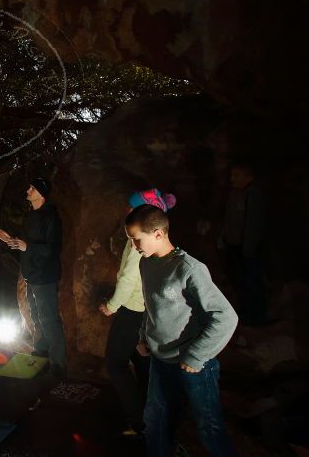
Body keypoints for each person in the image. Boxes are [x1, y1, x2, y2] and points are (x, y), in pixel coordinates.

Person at [126, 205, 238, 456]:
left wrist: (196, 356)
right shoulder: (146, 265)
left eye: (136, 239)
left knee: (208, 425)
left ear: (157, 233)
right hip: (161, 360)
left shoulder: (190, 269)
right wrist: (144, 336)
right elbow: (151, 305)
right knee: (154, 418)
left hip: (195, 365)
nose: (134, 246)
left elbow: (226, 316)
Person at [99, 188, 176, 437]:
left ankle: (140, 421)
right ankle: (150, 413)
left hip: (133, 309)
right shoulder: (145, 240)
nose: (127, 211)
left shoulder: (138, 243)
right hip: (144, 310)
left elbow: (128, 278)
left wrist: (112, 306)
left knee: (115, 362)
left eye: (132, 208)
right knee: (141, 361)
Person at [0, 177, 67, 376]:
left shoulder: (51, 218)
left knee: (49, 319)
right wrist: (7, 238)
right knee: (35, 316)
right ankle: (41, 352)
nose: (28, 190)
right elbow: (23, 245)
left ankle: (59, 364)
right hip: (30, 275)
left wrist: (28, 247)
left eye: (33, 188)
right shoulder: (31, 216)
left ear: (41, 194)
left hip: (45, 276)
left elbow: (53, 249)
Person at [221, 163, 266, 326]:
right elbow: (229, 217)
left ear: (249, 177)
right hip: (234, 245)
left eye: (237, 175)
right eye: (232, 175)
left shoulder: (252, 194)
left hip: (247, 248)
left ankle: (257, 316)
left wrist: (249, 247)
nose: (232, 178)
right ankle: (246, 312)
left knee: (252, 281)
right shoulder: (233, 193)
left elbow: (253, 222)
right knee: (240, 280)